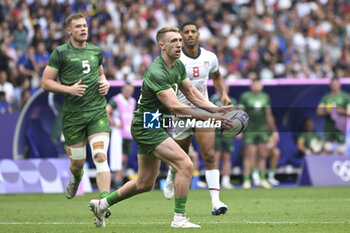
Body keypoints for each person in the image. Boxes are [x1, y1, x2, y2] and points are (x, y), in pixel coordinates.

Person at [88, 26, 233, 228]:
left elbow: (191, 93)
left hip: (154, 122)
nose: (179, 44)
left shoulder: (178, 65)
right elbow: (175, 107)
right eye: (174, 41)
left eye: (179, 40)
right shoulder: (157, 71)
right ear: (162, 45)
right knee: (186, 164)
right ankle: (179, 218)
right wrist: (212, 119)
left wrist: (215, 110)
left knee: (144, 183)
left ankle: (102, 204)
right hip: (147, 124)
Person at [41, 12, 112, 211]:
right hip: (73, 116)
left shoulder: (96, 51)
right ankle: (76, 177)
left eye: (85, 26)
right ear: (69, 31)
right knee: (77, 164)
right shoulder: (60, 53)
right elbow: (45, 82)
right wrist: (69, 89)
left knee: (100, 155)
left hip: (96, 111)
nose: (83, 29)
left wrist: (104, 82)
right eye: (79, 26)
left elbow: (101, 74)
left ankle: (103, 203)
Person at [162, 22, 231, 216]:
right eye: (186, 32)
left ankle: (216, 202)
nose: (190, 35)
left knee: (209, 154)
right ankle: (170, 177)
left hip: (203, 111)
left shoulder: (210, 57)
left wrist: (223, 94)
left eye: (193, 31)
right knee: (180, 157)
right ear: (181, 36)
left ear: (199, 34)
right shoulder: (176, 58)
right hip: (181, 114)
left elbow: (217, 76)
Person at [239, 78, 279, 189]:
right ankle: (246, 180)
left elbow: (269, 115)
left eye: (259, 84)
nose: (257, 86)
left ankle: (262, 179)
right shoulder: (245, 96)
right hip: (250, 130)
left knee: (262, 155)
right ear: (251, 86)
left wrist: (273, 131)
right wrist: (239, 129)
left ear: (261, 86)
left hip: (262, 130)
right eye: (255, 84)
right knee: (248, 155)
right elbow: (241, 113)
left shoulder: (265, 97)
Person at [106, 82, 136, 189]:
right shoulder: (116, 100)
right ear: (122, 90)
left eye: (130, 90)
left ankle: (119, 181)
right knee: (119, 159)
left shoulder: (132, 101)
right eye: (126, 90)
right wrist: (114, 123)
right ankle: (117, 182)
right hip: (118, 133)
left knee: (125, 159)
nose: (128, 92)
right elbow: (107, 110)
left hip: (128, 133)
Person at [210, 88, 237, 189]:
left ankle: (226, 180)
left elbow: (235, 116)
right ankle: (215, 181)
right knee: (216, 156)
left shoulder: (232, 101)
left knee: (227, 156)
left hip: (228, 132)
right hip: (216, 132)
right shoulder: (212, 100)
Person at [316, 77, 350, 155]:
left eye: (336, 83)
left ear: (339, 84)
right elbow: (318, 112)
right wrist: (328, 111)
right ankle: (327, 166)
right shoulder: (326, 97)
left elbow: (349, 112)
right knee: (328, 149)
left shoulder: (345, 97)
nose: (334, 85)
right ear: (330, 85)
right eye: (333, 84)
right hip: (329, 126)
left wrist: (339, 110)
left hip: (341, 127)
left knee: (341, 150)